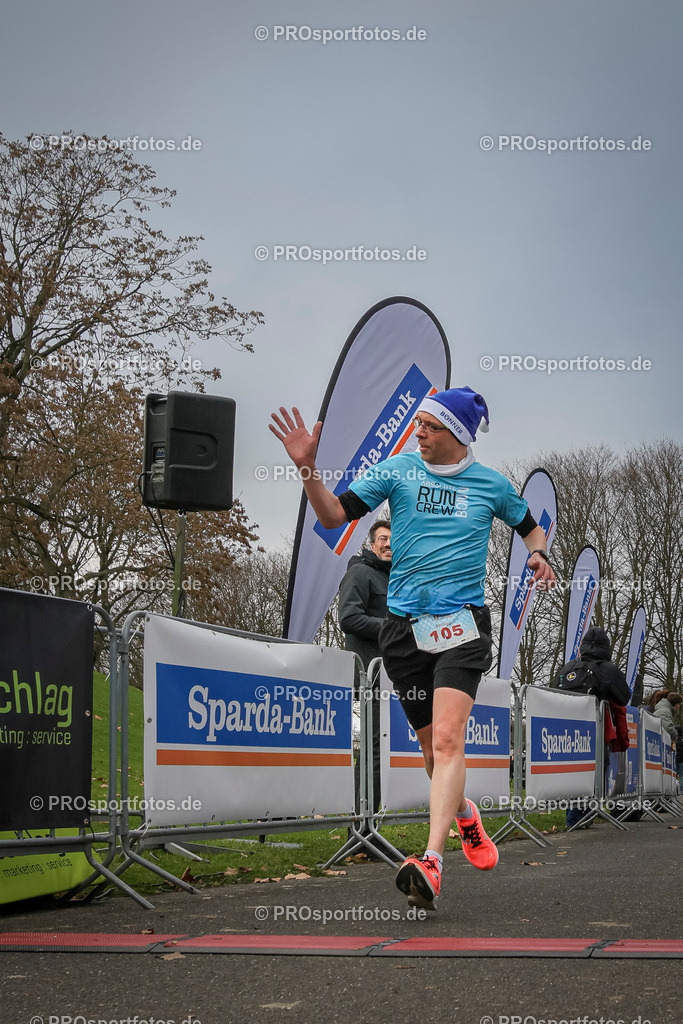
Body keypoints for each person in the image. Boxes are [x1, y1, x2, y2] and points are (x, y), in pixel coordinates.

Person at [270, 387, 555, 909]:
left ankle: (431, 862)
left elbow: (532, 529)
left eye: (429, 425)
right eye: (417, 422)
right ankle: (465, 814)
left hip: (462, 627)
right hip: (404, 632)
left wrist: (538, 555)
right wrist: (307, 468)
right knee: (430, 753)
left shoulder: (491, 485)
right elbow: (333, 515)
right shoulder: (398, 469)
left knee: (447, 741)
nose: (417, 431)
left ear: (457, 434)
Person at [337, 519, 391, 820]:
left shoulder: (399, 579)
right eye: (383, 538)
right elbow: (349, 618)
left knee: (384, 752)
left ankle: (370, 827)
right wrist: (394, 629)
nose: (388, 544)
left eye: (394, 539)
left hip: (397, 679)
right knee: (373, 751)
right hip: (371, 678)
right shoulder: (360, 572)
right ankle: (360, 829)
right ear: (372, 544)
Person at [550, 626, 630, 828]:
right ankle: (580, 818)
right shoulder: (609, 669)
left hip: (567, 732)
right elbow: (624, 697)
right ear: (606, 646)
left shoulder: (568, 667)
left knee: (574, 773)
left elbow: (552, 691)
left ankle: (575, 818)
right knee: (597, 772)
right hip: (596, 732)